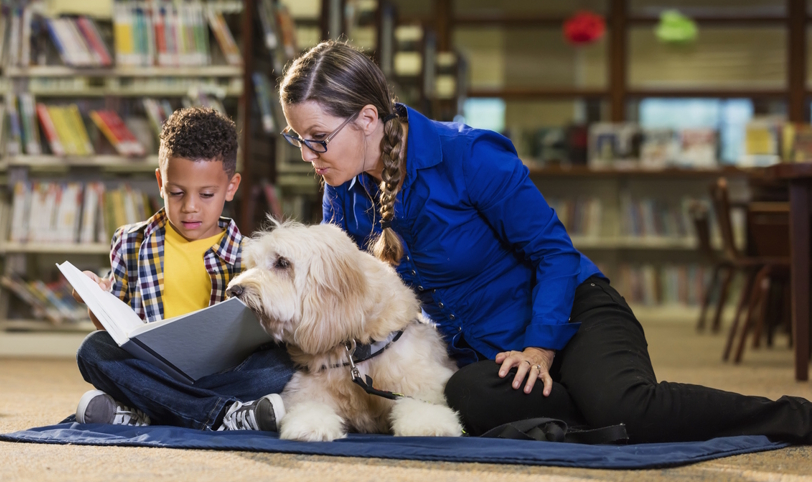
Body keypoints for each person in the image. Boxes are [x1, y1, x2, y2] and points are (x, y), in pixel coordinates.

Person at [277, 40, 812, 444]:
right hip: (484, 352)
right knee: (464, 396)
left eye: (317, 139)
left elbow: (553, 254)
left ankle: (793, 416)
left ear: (368, 119)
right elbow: (347, 289)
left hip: (570, 313)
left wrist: (540, 349)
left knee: (631, 406)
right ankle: (588, 410)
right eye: (298, 139)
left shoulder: (470, 156)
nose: (308, 155)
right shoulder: (342, 191)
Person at [73, 107, 294, 431]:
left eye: (207, 194)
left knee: (285, 362)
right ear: (161, 182)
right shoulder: (130, 242)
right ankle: (225, 414)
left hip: (224, 372)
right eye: (176, 193)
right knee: (92, 350)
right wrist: (97, 299)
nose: (190, 206)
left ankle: (148, 409)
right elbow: (113, 331)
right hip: (154, 369)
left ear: (231, 187)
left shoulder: (250, 254)